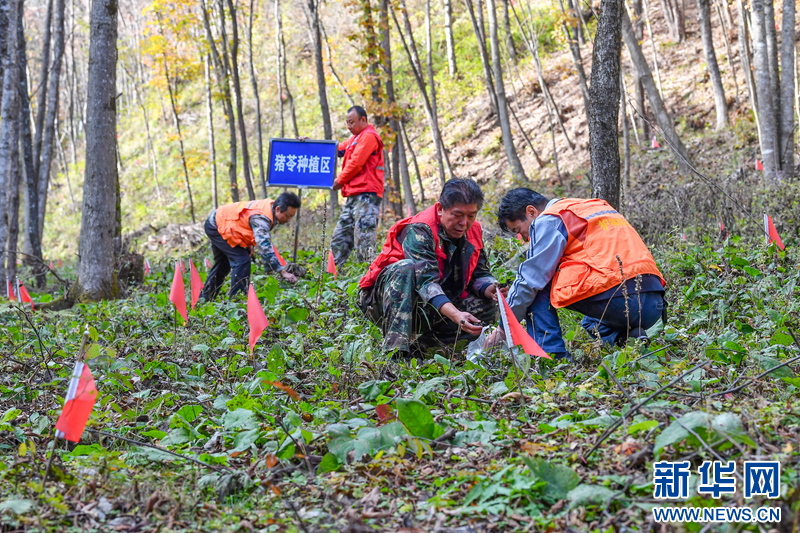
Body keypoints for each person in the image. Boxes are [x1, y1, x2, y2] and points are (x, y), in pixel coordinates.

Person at [486, 189, 667, 360]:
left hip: (620, 298)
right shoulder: (595, 207)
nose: (525, 239)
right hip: (654, 303)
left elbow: (531, 280)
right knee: (590, 323)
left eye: (519, 230)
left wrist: (503, 328)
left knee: (538, 284)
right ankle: (630, 338)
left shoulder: (550, 219)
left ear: (531, 212)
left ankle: (551, 357)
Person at [358, 178, 502, 357]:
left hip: (435, 303)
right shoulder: (420, 230)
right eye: (457, 215)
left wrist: (492, 288)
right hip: (386, 301)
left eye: (471, 216)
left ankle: (421, 352)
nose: (464, 223)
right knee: (405, 269)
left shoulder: (473, 231)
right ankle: (395, 354)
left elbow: (479, 273)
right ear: (440, 209)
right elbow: (426, 282)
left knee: (488, 306)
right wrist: (456, 314)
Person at [200, 192, 301, 300]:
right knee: (242, 261)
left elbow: (246, 224)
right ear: (277, 209)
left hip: (219, 221)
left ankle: (205, 298)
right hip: (217, 225)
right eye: (287, 216)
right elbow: (264, 246)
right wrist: (282, 271)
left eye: (292, 216)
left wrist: (248, 244)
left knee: (223, 264)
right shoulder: (262, 217)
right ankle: (237, 301)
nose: (289, 220)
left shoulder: (269, 208)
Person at [330, 105, 385, 267]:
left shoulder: (368, 137)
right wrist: (311, 144)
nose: (349, 126)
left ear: (363, 120)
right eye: (347, 123)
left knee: (364, 237)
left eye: (352, 122)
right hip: (353, 196)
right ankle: (330, 276)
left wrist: (339, 181)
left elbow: (356, 163)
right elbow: (335, 149)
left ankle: (367, 277)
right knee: (341, 236)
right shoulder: (354, 139)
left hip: (367, 195)